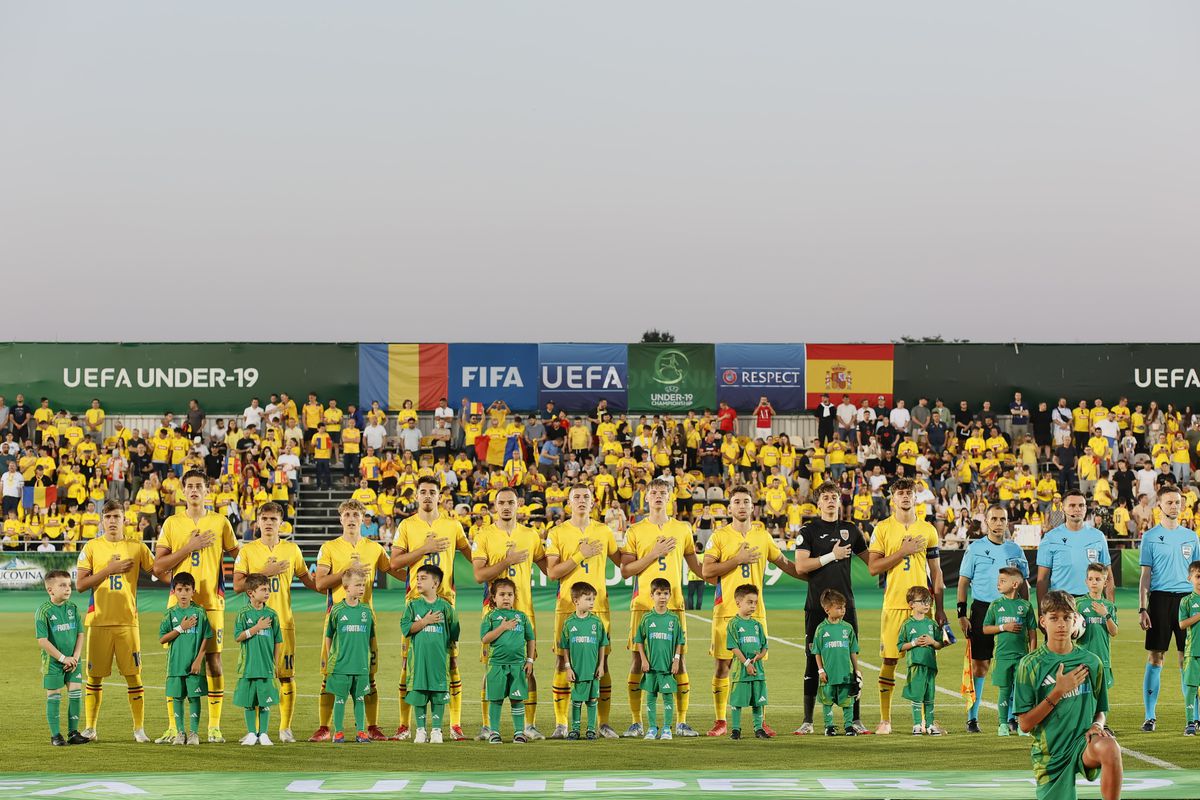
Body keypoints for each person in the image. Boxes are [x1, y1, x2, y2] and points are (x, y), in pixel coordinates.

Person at [702, 484, 799, 737]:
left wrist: (814, 576)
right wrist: (737, 560)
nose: (742, 506)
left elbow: (785, 564)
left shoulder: (763, 536)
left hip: (756, 614)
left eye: (746, 501)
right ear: (729, 507)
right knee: (723, 665)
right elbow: (707, 571)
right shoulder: (719, 536)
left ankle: (760, 721)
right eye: (737, 501)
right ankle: (721, 720)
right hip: (725, 612)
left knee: (758, 666)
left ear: (752, 507)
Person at [152, 469, 239, 744]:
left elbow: (240, 555)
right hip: (178, 605)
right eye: (189, 486)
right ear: (182, 491)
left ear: (207, 491)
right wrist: (190, 547)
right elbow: (158, 566)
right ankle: (173, 727)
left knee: (213, 661)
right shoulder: (172, 523)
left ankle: (213, 727)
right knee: (175, 663)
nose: (193, 491)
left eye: (199, 486)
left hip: (212, 602)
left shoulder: (221, 522)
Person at [1014, 590, 1122, 800]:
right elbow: (1025, 724)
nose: (1061, 624)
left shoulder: (1092, 662)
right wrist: (1058, 691)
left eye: (1067, 617)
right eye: (1054, 618)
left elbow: (1100, 710)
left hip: (1083, 744)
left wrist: (1098, 725)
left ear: (1076, 621)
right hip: (1050, 753)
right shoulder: (1030, 664)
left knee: (1110, 747)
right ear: (1043, 622)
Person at [390, 477, 472, 740]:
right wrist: (424, 549)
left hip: (446, 602)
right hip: (415, 603)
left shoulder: (452, 524)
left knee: (451, 661)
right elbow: (394, 563)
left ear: (440, 496)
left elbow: (473, 556)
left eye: (432, 492)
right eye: (423, 492)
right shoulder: (406, 525)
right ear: (416, 496)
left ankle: (454, 724)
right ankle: (405, 726)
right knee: (409, 663)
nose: (427, 496)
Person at [620, 478, 702, 738]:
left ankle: (681, 722)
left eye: (662, 492)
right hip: (643, 606)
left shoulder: (683, 528)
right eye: (653, 492)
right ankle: (636, 722)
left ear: (670, 498)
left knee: (680, 661)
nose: (657, 496)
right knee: (637, 660)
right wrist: (653, 553)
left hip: (675, 605)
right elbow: (625, 571)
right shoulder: (635, 530)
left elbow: (698, 568)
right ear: (646, 497)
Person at [308, 499, 394, 742]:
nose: (351, 518)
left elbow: (394, 569)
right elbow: (320, 583)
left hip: (367, 620)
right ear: (341, 519)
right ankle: (325, 727)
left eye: (356, 514)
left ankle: (372, 726)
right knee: (328, 674)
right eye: (347, 514)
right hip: (337, 620)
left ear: (363, 518)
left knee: (370, 675)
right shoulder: (329, 548)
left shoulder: (375, 548)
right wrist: (346, 569)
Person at [232, 501, 317, 742]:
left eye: (273, 519)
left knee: (286, 675)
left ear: (282, 523)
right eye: (265, 519)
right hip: (254, 623)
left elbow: (310, 582)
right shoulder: (247, 552)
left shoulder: (292, 550)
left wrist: (337, 584)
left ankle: (285, 727)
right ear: (257, 522)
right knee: (256, 675)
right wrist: (265, 572)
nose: (269, 523)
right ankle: (255, 731)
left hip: (283, 622)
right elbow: (238, 586)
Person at [867, 477, 945, 734]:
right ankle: (885, 719)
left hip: (923, 607)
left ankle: (925, 720)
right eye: (900, 493)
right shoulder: (883, 529)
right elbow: (873, 568)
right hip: (894, 605)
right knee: (890, 660)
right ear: (893, 498)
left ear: (915, 497)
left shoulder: (928, 529)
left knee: (923, 661)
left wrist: (940, 608)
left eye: (909, 493)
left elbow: (936, 572)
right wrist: (902, 551)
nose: (905, 497)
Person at [544, 484, 622, 739]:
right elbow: (552, 572)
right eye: (576, 497)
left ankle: (603, 723)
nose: (581, 501)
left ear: (593, 502)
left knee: (602, 661)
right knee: (561, 661)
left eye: (586, 497)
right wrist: (581, 554)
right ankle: (561, 723)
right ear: (568, 502)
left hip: (599, 609)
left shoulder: (603, 530)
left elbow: (624, 562)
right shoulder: (557, 533)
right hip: (566, 608)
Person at [792, 481, 871, 735]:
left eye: (834, 497)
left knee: (851, 658)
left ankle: (855, 719)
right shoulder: (809, 530)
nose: (830, 501)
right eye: (825, 497)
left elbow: (872, 563)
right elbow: (801, 566)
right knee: (811, 660)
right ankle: (808, 721)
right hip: (816, 606)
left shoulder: (851, 530)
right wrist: (831, 556)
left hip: (846, 606)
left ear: (840, 501)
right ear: (818, 503)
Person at [75, 500, 156, 742]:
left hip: (127, 622)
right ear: (102, 520)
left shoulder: (137, 547)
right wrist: (110, 569)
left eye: (116, 516)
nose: (112, 521)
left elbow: (159, 570)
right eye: (108, 516)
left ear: (125, 520)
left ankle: (139, 729)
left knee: (134, 676)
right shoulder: (91, 547)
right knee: (94, 678)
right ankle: (90, 728)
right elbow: (80, 585)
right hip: (98, 621)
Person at [472, 488, 548, 741]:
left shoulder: (531, 535)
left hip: (524, 611)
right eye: (501, 502)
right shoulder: (484, 535)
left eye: (511, 502)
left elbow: (550, 568)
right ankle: (486, 726)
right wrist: (507, 561)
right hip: (493, 615)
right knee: (490, 668)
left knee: (528, 668)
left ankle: (529, 725)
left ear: (519, 505)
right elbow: (480, 576)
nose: (506, 507)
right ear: (494, 506)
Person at [957, 503, 1030, 733]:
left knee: (1014, 665)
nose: (999, 523)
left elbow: (1024, 583)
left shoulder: (1016, 551)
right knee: (981, 665)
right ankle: (972, 717)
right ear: (986, 522)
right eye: (994, 519)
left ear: (1007, 522)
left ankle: (1010, 718)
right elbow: (963, 582)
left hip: (1011, 610)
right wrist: (961, 613)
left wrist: (1027, 610)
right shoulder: (976, 548)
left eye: (1002, 519)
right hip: (982, 610)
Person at [1137, 486, 1196, 732]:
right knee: (1155, 656)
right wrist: (1142, 607)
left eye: (1178, 502)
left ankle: (1193, 717)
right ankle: (1150, 716)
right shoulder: (1150, 536)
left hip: (1187, 601)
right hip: (1160, 600)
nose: (1175, 506)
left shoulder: (1191, 537)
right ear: (1159, 506)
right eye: (1170, 502)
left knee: (1189, 660)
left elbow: (1198, 574)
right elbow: (1145, 576)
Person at [400, 564, 460, 744]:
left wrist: (453, 657)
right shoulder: (412, 606)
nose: (418, 581)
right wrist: (425, 621)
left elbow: (454, 632)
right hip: (418, 660)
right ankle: (420, 731)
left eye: (423, 578)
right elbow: (406, 629)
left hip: (439, 660)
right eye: (417, 578)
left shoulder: (446, 607)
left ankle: (436, 730)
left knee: (438, 692)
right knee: (418, 693)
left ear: (435, 583)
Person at [157, 572, 213, 746]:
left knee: (194, 698)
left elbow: (207, 636)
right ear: (174, 591)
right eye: (179, 589)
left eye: (186, 589)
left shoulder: (199, 612)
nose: (183, 593)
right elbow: (162, 639)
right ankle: (180, 733)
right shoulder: (170, 614)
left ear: (193, 591)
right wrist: (181, 628)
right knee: (177, 697)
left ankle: (194, 733)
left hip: (194, 665)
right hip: (175, 665)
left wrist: (198, 660)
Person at [982, 566, 1037, 736]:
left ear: (1014, 584)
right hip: (1002, 656)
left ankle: (1022, 725)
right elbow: (985, 629)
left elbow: (1032, 632)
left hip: (1021, 657)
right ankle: (1003, 724)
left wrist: (1031, 655)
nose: (998, 584)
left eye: (1002, 581)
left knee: (1021, 691)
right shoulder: (996, 605)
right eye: (998, 581)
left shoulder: (1025, 606)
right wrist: (1003, 627)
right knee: (1005, 690)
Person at [479, 577, 536, 744]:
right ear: (494, 597)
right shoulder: (491, 617)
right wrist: (502, 627)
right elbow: (485, 639)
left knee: (517, 699)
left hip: (518, 665)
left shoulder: (521, 617)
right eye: (502, 594)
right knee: (496, 699)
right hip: (496, 665)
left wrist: (530, 660)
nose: (506, 598)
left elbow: (530, 639)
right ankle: (494, 732)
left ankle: (519, 732)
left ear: (514, 597)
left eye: (509, 594)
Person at [1036, 490, 1113, 610]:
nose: (1077, 509)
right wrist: (1042, 613)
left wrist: (1110, 608)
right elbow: (1042, 580)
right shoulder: (1050, 538)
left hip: (1093, 603)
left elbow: (1108, 576)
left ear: (1086, 508)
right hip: (1060, 602)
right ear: (1063, 508)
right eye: (1072, 505)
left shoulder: (1098, 536)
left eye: (1081, 505)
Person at [35, 569, 86, 746]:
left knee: (75, 694)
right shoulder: (44, 611)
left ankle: (73, 733)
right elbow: (42, 640)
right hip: (54, 662)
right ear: (50, 590)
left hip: (73, 660)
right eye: (62, 585)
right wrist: (63, 658)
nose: (67, 589)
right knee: (54, 696)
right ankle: (56, 735)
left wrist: (75, 657)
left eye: (69, 585)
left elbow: (80, 633)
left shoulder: (72, 607)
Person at [325, 566, 375, 744]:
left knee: (360, 699)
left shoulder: (367, 611)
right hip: (341, 664)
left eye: (363, 585)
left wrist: (371, 660)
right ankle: (338, 732)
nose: (362, 588)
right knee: (340, 699)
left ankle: (361, 732)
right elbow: (329, 636)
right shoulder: (337, 610)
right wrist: (330, 658)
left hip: (361, 664)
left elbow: (370, 638)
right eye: (358, 585)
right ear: (346, 588)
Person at [232, 573, 282, 746]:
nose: (267, 592)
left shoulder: (272, 614)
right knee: (249, 702)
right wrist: (256, 628)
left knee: (265, 701)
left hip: (266, 665)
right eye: (263, 589)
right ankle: (252, 733)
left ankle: (264, 734)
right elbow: (238, 637)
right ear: (251, 593)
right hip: (248, 665)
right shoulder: (243, 614)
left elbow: (278, 641)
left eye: (268, 589)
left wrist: (275, 663)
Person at [632, 578, 685, 740]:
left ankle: (667, 729)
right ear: (652, 595)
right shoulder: (647, 619)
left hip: (668, 666)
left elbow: (679, 641)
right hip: (651, 667)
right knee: (651, 697)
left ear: (670, 596)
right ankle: (652, 729)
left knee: (668, 697)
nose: (662, 597)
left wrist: (676, 660)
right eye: (659, 593)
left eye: (666, 593)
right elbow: (639, 640)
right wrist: (644, 660)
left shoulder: (673, 619)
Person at [558, 582, 608, 740]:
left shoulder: (596, 622)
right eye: (588, 599)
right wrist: (568, 667)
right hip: (577, 670)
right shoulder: (569, 623)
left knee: (592, 700)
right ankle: (575, 729)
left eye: (593, 599)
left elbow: (602, 645)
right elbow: (564, 647)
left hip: (593, 670)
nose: (592, 602)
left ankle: (591, 729)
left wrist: (601, 665)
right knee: (577, 701)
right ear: (576, 601)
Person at [897, 585, 945, 735]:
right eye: (922, 601)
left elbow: (939, 644)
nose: (926, 604)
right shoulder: (907, 624)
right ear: (911, 604)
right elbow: (900, 645)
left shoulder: (931, 624)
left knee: (930, 696)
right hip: (916, 665)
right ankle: (917, 724)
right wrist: (914, 643)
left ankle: (930, 725)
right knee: (917, 695)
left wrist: (933, 642)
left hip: (930, 665)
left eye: (928, 601)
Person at [812, 589, 860, 737]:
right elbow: (817, 651)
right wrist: (821, 670)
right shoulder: (821, 629)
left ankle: (849, 726)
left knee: (848, 701)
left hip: (845, 673)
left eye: (844, 607)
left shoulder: (847, 628)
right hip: (828, 673)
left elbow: (853, 650)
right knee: (827, 701)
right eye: (839, 607)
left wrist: (857, 670)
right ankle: (829, 726)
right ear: (827, 609)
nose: (843, 610)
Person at [725, 583, 768, 740]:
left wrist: (760, 656)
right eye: (749, 602)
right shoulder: (734, 624)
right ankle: (736, 730)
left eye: (755, 602)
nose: (753, 606)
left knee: (758, 701)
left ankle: (759, 729)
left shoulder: (757, 625)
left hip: (758, 670)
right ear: (738, 602)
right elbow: (733, 647)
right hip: (741, 670)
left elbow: (764, 646)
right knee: (737, 701)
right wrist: (746, 664)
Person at [1076, 563, 1118, 696]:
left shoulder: (1109, 606)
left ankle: (1100, 718)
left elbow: (1114, 632)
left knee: (1101, 696)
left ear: (1105, 583)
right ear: (1086, 581)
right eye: (1091, 579)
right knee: (1083, 695)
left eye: (1098, 579)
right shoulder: (1078, 604)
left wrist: (1105, 615)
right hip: (1082, 657)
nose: (1094, 582)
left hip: (1102, 657)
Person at [1178, 563, 1200, 733]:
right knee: (1191, 688)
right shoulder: (1186, 601)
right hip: (1192, 651)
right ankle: (1190, 723)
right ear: (1190, 578)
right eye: (1198, 576)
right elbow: (1182, 624)